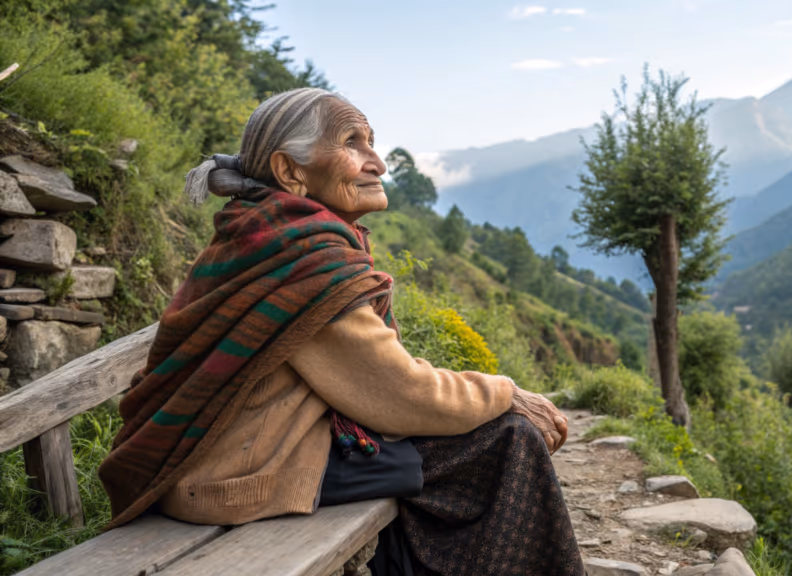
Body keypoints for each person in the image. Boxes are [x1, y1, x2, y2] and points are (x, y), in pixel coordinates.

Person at [98, 87, 586, 576]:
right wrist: (506, 393)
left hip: (214, 462)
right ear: (291, 171)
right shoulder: (303, 260)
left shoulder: (264, 234)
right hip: (231, 478)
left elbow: (376, 383)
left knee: (453, 449)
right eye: (353, 142)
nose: (377, 162)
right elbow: (403, 395)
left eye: (372, 141)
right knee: (509, 438)